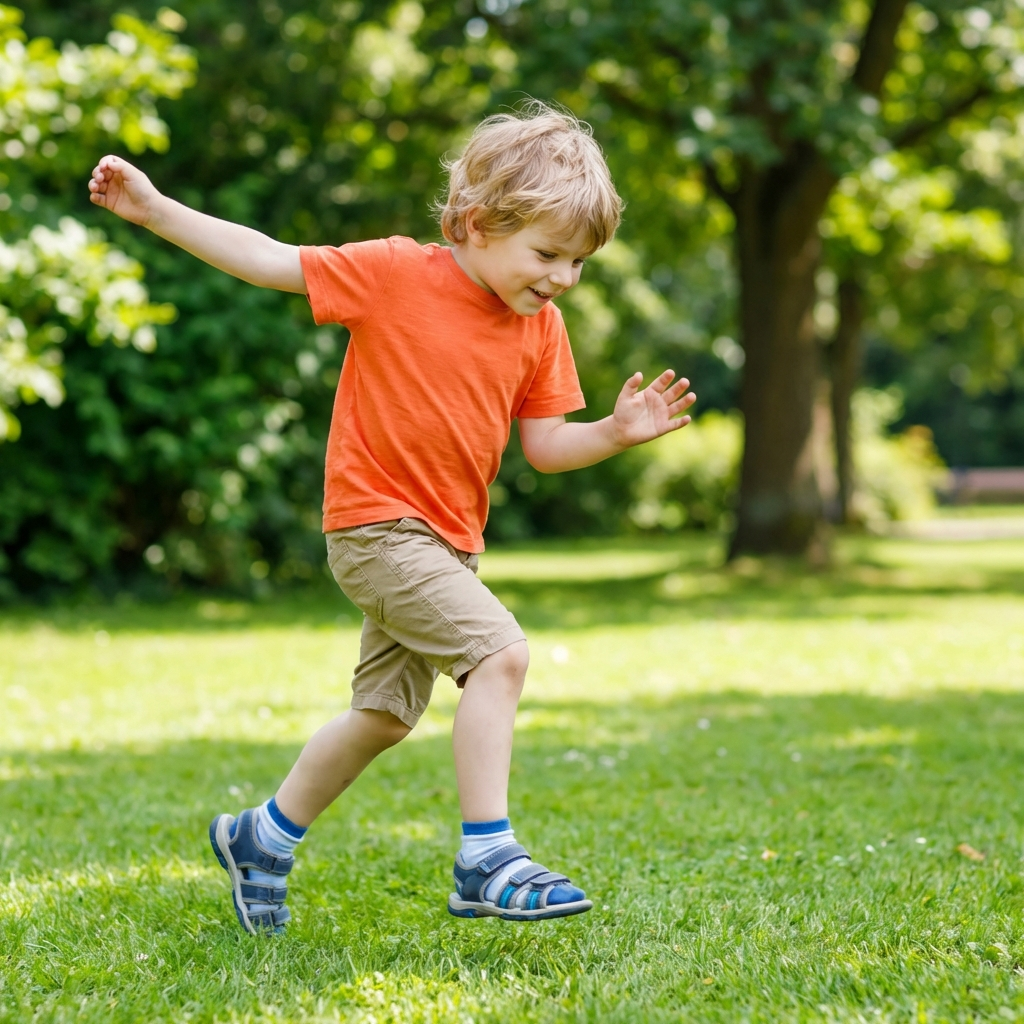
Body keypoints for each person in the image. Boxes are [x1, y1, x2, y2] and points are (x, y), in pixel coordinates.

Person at [88, 101, 696, 933]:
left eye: (579, 261)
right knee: (502, 657)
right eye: (547, 253)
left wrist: (616, 433)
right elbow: (270, 259)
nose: (562, 277)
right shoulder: (394, 273)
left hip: (449, 545)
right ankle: (487, 857)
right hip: (375, 529)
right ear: (476, 223)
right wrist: (156, 210)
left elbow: (548, 446)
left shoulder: (541, 327)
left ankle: (262, 838)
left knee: (382, 718)